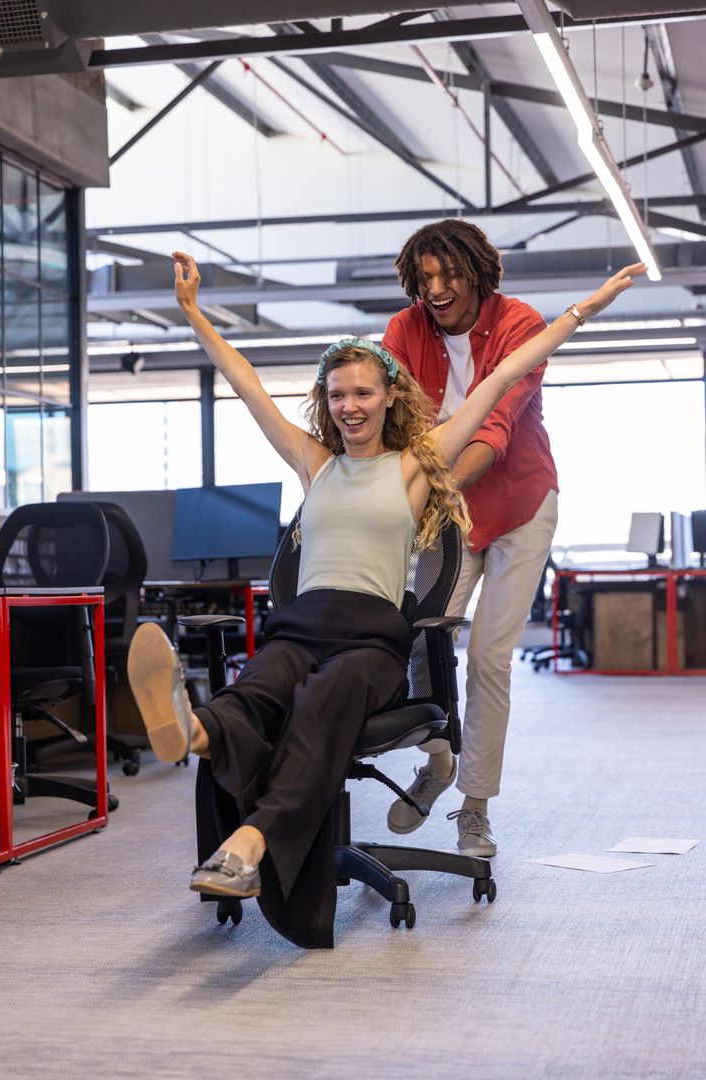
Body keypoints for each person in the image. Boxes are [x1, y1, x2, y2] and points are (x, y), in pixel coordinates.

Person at [126, 251, 645, 949]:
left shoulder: (413, 467)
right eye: (338, 395)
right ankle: (191, 733)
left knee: (325, 699)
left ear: (389, 398)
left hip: (370, 639)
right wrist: (194, 315)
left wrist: (586, 310)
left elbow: (504, 375)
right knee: (262, 683)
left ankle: (250, 843)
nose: (350, 406)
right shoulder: (315, 463)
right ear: (326, 402)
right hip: (299, 625)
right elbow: (245, 384)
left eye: (363, 393)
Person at [382, 219, 559, 858]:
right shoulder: (405, 331)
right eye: (423, 277)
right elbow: (389, 423)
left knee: (487, 655)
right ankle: (437, 765)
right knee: (424, 639)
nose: (434, 288)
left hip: (518, 505)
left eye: (447, 274)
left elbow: (495, 430)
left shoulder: (520, 325)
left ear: (476, 269)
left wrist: (426, 496)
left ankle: (475, 807)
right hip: (445, 513)